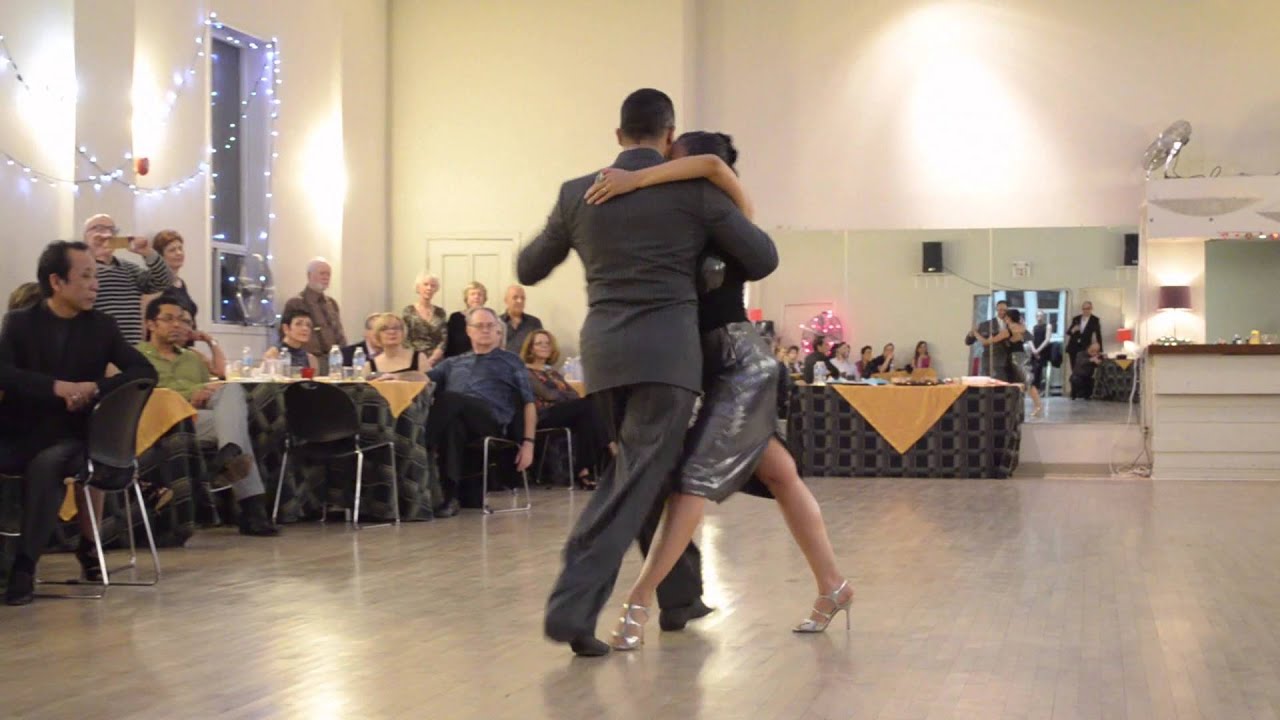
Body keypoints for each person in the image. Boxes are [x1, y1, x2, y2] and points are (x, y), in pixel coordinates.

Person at [518, 89, 777, 657]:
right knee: (634, 477)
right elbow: (762, 259)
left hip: (605, 356)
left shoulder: (576, 193)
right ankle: (572, 606)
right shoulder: (694, 192)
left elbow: (529, 267)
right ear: (668, 137)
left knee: (645, 471)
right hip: (668, 357)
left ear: (618, 136)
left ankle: (681, 596)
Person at [583, 130, 850, 650]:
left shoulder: (732, 220)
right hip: (706, 366)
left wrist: (636, 176)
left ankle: (638, 600)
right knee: (781, 474)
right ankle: (834, 586)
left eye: (672, 163)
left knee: (692, 482)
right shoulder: (680, 226)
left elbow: (708, 162)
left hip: (739, 362)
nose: (667, 170)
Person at [1, 241, 159, 605]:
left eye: (96, 276)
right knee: (34, 458)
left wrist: (95, 388)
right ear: (56, 282)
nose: (95, 285)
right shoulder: (20, 323)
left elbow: (144, 370)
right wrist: (56, 387)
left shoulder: (102, 327)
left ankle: (24, 568)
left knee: (48, 465)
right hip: (21, 431)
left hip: (74, 435)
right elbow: (4, 373)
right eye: (85, 276)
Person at [137, 297, 279, 535]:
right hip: (167, 422)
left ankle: (229, 451)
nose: (177, 325)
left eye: (182, 321)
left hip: (198, 420)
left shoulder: (192, 358)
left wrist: (210, 387)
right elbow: (142, 397)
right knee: (237, 428)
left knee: (231, 389)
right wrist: (190, 395)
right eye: (169, 319)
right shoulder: (137, 356)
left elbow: (218, 386)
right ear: (151, 324)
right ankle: (252, 511)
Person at [424, 307, 536, 513]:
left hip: (490, 421)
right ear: (468, 331)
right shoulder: (453, 362)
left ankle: (424, 448)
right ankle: (450, 498)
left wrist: (528, 443)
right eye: (479, 326)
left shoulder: (511, 361)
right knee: (453, 426)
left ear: (498, 331)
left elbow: (529, 402)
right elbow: (423, 378)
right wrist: (394, 376)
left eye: (490, 326)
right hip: (458, 420)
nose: (485, 330)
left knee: (449, 398)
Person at [521, 329, 606, 490]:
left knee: (588, 414)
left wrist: (561, 395)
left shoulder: (552, 371)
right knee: (587, 405)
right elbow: (548, 395)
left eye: (547, 343)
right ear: (531, 348)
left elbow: (572, 394)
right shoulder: (525, 370)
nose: (544, 346)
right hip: (542, 415)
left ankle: (583, 470)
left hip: (562, 411)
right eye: (539, 343)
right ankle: (610, 448)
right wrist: (562, 395)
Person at [82, 213, 174, 345]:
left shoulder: (130, 269)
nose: (107, 234)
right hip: (97, 350)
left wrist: (147, 252)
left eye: (112, 230)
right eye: (98, 229)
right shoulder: (81, 270)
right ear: (85, 237)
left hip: (131, 349)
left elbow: (164, 281)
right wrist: (94, 255)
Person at [281, 258, 346, 360]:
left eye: (328, 274)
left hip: (333, 361)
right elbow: (285, 334)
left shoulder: (332, 304)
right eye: (322, 273)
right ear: (309, 275)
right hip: (307, 360)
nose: (326, 277)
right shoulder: (296, 302)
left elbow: (339, 333)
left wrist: (345, 356)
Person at [990, 309, 1044, 416]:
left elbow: (993, 340)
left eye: (1006, 317)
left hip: (1017, 357)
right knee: (1022, 382)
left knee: (1027, 382)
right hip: (1019, 355)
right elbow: (1029, 337)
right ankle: (1028, 406)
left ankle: (1038, 406)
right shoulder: (1021, 327)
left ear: (1009, 318)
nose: (1004, 318)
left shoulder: (1009, 329)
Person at [140, 230, 197, 320]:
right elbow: (144, 314)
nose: (179, 253)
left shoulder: (181, 283)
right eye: (172, 250)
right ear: (160, 256)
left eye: (180, 248)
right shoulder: (153, 280)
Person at [364, 313, 429, 378]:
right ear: (377, 335)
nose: (392, 332)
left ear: (403, 332)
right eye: (384, 329)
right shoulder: (370, 366)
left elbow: (429, 384)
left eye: (396, 328)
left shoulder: (419, 358)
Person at [403, 272, 447, 366]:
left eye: (433, 286)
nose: (429, 288)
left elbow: (444, 339)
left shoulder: (440, 312)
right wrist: (418, 359)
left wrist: (433, 358)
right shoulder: (408, 311)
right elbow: (405, 338)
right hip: (413, 359)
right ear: (418, 287)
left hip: (437, 361)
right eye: (426, 284)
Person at [1065, 301, 1103, 395]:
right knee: (1075, 369)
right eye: (1084, 309)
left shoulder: (1095, 320)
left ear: (1091, 309)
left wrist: (1100, 350)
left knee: (1085, 369)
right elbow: (1068, 332)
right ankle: (1074, 391)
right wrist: (1074, 330)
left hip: (1085, 348)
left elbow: (1098, 335)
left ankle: (1084, 392)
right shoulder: (1076, 319)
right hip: (1073, 347)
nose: (1085, 311)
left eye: (1087, 309)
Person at [967, 300, 1011, 380]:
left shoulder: (1012, 324)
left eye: (1005, 310)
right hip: (989, 361)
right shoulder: (986, 325)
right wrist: (972, 333)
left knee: (1004, 388)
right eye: (1000, 309)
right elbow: (968, 341)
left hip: (1007, 362)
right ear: (996, 309)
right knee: (988, 388)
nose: (1002, 312)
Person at [444, 281, 488, 358]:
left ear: (484, 299)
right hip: (458, 362)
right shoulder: (455, 318)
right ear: (466, 298)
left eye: (480, 294)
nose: (476, 297)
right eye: (472, 294)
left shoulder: (489, 318)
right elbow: (449, 345)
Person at [501, 285, 543, 354]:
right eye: (515, 297)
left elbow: (540, 347)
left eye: (522, 298)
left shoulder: (534, 323)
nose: (520, 301)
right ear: (506, 300)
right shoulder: (496, 322)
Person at [1029, 311, 1053, 392]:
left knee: (1038, 366)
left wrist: (1038, 350)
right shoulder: (1033, 327)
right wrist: (1034, 350)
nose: (1039, 317)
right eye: (1038, 316)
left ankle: (1037, 388)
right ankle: (1033, 387)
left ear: (1044, 317)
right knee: (1032, 367)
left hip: (1043, 350)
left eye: (1041, 316)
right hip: (1034, 351)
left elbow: (1047, 340)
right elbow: (1030, 340)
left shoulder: (1048, 326)